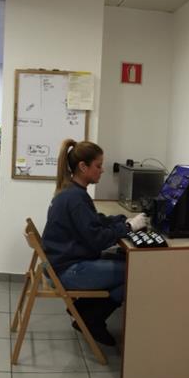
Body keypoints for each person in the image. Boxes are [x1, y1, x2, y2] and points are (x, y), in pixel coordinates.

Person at [42, 139, 148, 346]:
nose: (102, 170)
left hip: (60, 264)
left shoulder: (72, 192)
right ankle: (91, 319)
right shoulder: (76, 198)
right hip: (67, 271)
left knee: (124, 261)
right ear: (83, 167)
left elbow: (94, 222)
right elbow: (97, 240)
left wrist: (121, 221)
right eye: (98, 166)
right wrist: (128, 227)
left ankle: (85, 311)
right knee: (135, 271)